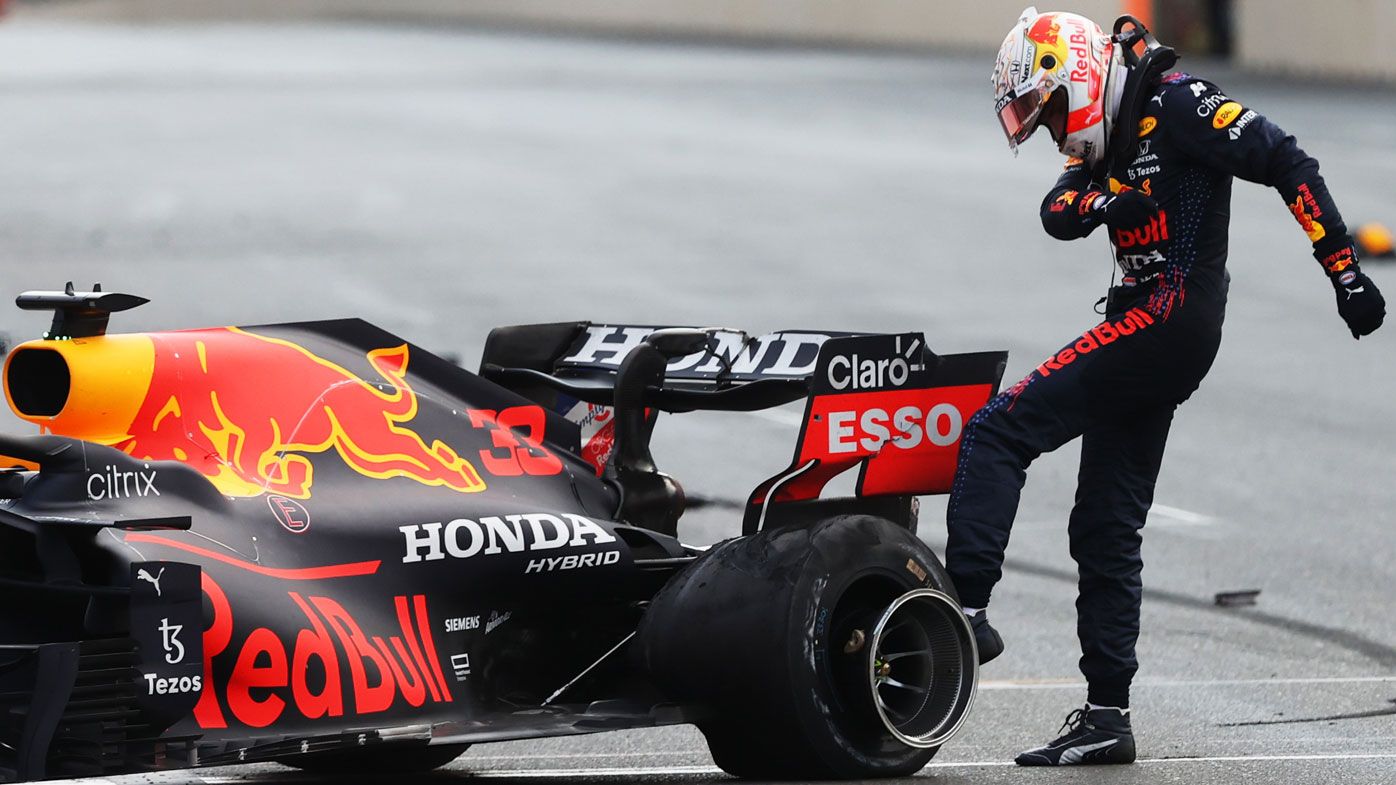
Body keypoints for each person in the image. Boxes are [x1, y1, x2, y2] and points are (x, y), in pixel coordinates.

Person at [946, 6, 1386, 767]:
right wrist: (1104, 203)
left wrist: (1342, 270)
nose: (1051, 130)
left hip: (1168, 319)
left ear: (1075, 75)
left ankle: (964, 613)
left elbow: (1288, 160)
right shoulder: (1109, 125)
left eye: (1047, 110)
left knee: (998, 429)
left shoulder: (1179, 104)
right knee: (1105, 525)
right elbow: (1055, 210)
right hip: (1149, 327)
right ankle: (1108, 716)